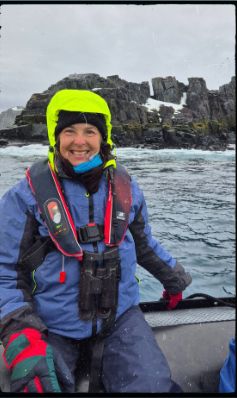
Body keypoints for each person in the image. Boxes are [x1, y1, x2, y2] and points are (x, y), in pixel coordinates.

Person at [0, 89, 192, 393]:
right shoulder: (24, 197)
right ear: (55, 136)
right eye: (69, 131)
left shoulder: (127, 187)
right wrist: (21, 333)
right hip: (52, 326)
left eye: (90, 131)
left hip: (121, 318)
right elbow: (4, 271)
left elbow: (143, 244)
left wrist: (174, 280)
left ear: (103, 138)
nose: (80, 141)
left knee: (154, 385)